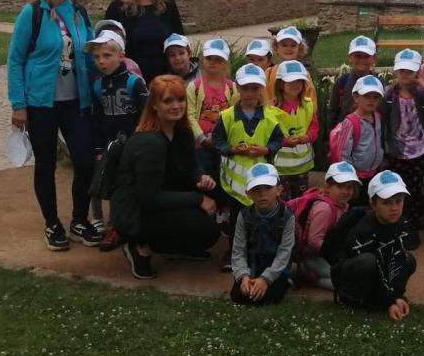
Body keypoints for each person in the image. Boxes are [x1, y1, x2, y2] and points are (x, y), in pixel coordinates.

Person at [6, 0, 99, 251]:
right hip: (41, 102)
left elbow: (92, 55)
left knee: (84, 161)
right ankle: (52, 223)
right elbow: (15, 59)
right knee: (45, 164)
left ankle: (79, 219)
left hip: (76, 101)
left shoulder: (79, 13)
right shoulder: (32, 13)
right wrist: (18, 104)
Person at [110, 75, 222, 280]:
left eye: (180, 99)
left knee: (220, 188)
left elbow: (191, 166)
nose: (176, 106)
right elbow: (149, 198)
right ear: (154, 104)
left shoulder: (182, 131)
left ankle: (174, 246)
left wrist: (200, 178)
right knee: (206, 227)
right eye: (168, 101)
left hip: (164, 193)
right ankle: (139, 245)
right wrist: (198, 198)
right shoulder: (149, 142)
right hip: (136, 212)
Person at [211, 64, 284, 267]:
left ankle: (259, 253)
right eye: (245, 88)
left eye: (255, 88)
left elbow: (278, 141)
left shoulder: (270, 117)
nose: (250, 93)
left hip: (261, 182)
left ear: (261, 89)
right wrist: (231, 149)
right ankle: (234, 253)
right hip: (235, 185)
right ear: (238, 88)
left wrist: (266, 150)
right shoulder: (227, 116)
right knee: (237, 221)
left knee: (261, 219)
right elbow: (217, 140)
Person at [84, 29, 148, 236]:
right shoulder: (97, 85)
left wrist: (137, 143)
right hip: (107, 142)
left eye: (107, 55)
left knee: (121, 184)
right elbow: (97, 118)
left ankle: (116, 223)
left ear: (121, 56)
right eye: (96, 57)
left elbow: (145, 115)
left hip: (129, 143)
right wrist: (98, 147)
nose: (101, 61)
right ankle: (97, 218)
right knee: (99, 177)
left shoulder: (134, 82)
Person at [329, 170, 417, 320]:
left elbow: (399, 259)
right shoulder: (363, 228)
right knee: (368, 261)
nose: (394, 208)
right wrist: (389, 302)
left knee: (409, 259)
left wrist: (397, 296)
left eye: (398, 201)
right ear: (373, 204)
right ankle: (351, 301)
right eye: (386, 203)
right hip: (352, 274)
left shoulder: (401, 224)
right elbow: (373, 267)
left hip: (377, 269)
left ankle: (382, 297)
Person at [382, 49, 424, 247]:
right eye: (402, 71)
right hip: (397, 151)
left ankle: (412, 225)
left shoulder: (421, 94)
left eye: (409, 71)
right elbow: (383, 121)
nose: (405, 75)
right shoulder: (389, 94)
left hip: (418, 150)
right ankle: (396, 225)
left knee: (415, 191)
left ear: (417, 72)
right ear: (395, 71)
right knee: (396, 190)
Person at [103, 0, 184, 85]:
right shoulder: (118, 7)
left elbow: (179, 42)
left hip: (164, 81)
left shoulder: (168, 5)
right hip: (129, 81)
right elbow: (106, 48)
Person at [229, 163, 295, 306]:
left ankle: (285, 280)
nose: (262, 194)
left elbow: (285, 252)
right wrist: (243, 276)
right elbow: (238, 250)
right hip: (252, 266)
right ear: (248, 193)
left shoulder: (288, 216)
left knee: (270, 297)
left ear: (279, 190)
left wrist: (266, 279)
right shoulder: (243, 215)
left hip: (276, 267)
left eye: (268, 188)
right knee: (239, 296)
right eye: (256, 189)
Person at [290, 161, 359, 290]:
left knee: (353, 274)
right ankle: (309, 277)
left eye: (349, 187)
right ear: (327, 187)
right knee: (347, 282)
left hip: (325, 255)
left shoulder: (343, 205)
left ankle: (309, 274)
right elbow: (314, 241)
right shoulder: (325, 208)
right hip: (313, 257)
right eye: (340, 186)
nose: (345, 191)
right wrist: (336, 255)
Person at [268, 59, 317, 199]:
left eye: (299, 81)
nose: (295, 85)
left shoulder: (307, 104)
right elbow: (268, 133)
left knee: (300, 199)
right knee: (283, 200)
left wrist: (308, 137)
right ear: (280, 83)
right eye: (290, 81)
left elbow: (314, 126)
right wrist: (284, 141)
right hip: (280, 166)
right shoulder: (271, 108)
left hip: (302, 165)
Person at [329, 74, 387, 193]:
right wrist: (347, 178)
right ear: (356, 97)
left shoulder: (377, 117)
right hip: (355, 176)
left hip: (373, 172)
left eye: (376, 97)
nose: (371, 100)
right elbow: (342, 153)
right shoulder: (350, 122)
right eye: (366, 96)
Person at [187, 38, 235, 176]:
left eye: (218, 59)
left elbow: (235, 115)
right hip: (200, 146)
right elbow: (189, 115)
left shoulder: (232, 88)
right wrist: (201, 138)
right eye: (209, 58)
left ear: (225, 63)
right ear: (202, 61)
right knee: (205, 177)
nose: (213, 62)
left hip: (224, 144)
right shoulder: (194, 87)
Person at [326, 35, 378, 131]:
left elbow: (383, 111)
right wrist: (331, 133)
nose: (362, 60)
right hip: (345, 133)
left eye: (366, 56)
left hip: (371, 133)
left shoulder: (378, 83)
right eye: (358, 56)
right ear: (350, 57)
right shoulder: (342, 82)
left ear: (374, 58)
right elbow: (333, 110)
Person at [265, 26, 318, 112]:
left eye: (293, 45)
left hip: (298, 117)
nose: (288, 49)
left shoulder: (304, 74)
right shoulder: (269, 73)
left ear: (300, 49)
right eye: (284, 45)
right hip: (272, 116)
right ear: (276, 48)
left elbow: (311, 100)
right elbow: (264, 97)